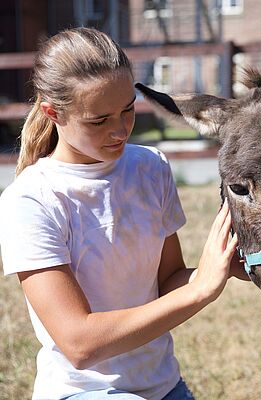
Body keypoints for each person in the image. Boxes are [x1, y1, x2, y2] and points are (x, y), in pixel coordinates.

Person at [0, 27, 244, 400]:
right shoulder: (32, 200)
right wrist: (198, 291)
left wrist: (228, 265)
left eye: (128, 108)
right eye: (98, 120)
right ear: (53, 113)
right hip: (81, 392)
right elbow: (79, 344)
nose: (120, 130)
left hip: (163, 386)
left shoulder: (150, 167)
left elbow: (168, 283)